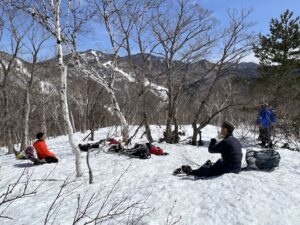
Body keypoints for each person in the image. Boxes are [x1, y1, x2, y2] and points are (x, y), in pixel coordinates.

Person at [173, 121, 242, 177]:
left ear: (225, 129)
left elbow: (211, 150)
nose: (220, 130)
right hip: (237, 168)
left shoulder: (226, 141)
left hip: (228, 169)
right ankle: (211, 166)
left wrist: (213, 141)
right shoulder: (237, 141)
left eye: (222, 128)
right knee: (219, 161)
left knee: (208, 171)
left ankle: (190, 172)